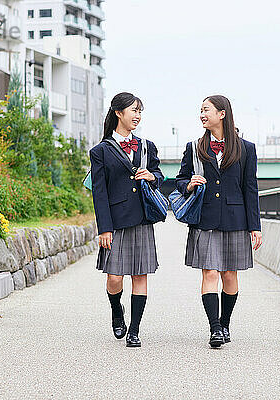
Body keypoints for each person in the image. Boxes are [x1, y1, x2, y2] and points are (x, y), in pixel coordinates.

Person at [175, 95, 263, 348]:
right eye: (200, 111)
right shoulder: (194, 147)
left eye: (206, 110)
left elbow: (250, 188)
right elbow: (180, 179)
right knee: (210, 271)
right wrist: (189, 183)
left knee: (230, 274)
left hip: (235, 219)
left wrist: (254, 226)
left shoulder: (246, 148)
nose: (202, 115)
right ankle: (214, 328)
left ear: (222, 114)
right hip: (206, 218)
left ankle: (225, 323)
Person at [89, 92, 164, 347]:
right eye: (134, 110)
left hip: (142, 219)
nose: (138, 116)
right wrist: (104, 229)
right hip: (116, 222)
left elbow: (160, 175)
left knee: (140, 276)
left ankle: (134, 330)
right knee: (114, 277)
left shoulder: (147, 146)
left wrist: (152, 177)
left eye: (140, 111)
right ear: (119, 113)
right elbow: (99, 192)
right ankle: (116, 309)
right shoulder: (100, 151)